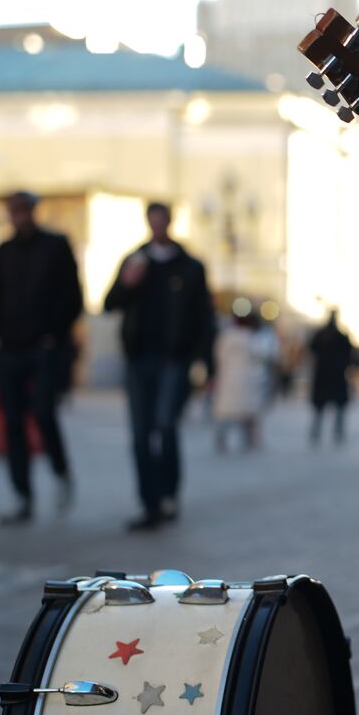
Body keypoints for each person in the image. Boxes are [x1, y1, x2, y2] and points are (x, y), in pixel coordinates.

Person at [103, 202, 215, 531]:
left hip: (174, 359)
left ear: (170, 222)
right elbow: (110, 303)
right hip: (138, 358)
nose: (157, 227)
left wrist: (207, 363)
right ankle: (149, 504)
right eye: (152, 222)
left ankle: (168, 494)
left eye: (161, 221)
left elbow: (204, 318)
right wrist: (128, 282)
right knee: (140, 435)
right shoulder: (135, 259)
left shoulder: (190, 266)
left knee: (166, 426)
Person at [0, 191, 83, 525]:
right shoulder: (4, 252)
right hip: (10, 348)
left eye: (22, 211)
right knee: (13, 423)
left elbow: (73, 296)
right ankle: (22, 495)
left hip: (44, 349)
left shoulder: (55, 246)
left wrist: (54, 334)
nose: (18, 217)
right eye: (13, 211)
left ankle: (61, 470)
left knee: (43, 413)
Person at [210, 306, 276, 452]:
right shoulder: (252, 338)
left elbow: (218, 355)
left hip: (228, 378)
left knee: (226, 412)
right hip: (248, 380)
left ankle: (223, 436)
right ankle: (250, 439)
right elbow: (265, 356)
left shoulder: (225, 336)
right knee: (248, 411)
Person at [307, 310, 354, 445]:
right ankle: (332, 432)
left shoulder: (324, 335)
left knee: (326, 407)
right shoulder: (338, 336)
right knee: (328, 406)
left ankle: (325, 432)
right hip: (333, 375)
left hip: (328, 375)